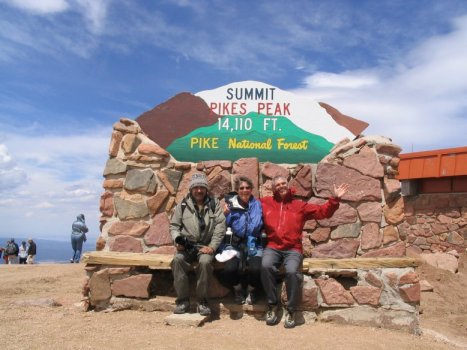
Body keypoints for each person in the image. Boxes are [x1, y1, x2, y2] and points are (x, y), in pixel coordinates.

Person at [260, 175, 349, 328]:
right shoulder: (265, 203)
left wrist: (334, 199)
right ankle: (273, 305)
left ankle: (291, 310)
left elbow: (323, 212)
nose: (281, 186)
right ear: (273, 188)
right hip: (273, 246)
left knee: (292, 271)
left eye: (284, 183)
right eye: (278, 185)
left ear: (288, 185)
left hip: (293, 248)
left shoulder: (299, 205)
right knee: (266, 266)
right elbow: (248, 205)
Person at [169, 172, 226, 316]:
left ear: (206, 189)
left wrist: (212, 247)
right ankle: (182, 301)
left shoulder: (214, 204)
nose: (199, 190)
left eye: (202, 187)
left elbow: (220, 226)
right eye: (196, 187)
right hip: (187, 246)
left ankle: (202, 301)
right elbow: (174, 226)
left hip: (205, 246)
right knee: (177, 261)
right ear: (191, 189)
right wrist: (177, 241)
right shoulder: (182, 205)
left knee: (205, 263)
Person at [216, 176, 264, 305]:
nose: (245, 190)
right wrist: (224, 214)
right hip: (234, 244)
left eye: (248, 188)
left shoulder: (257, 205)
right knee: (230, 269)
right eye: (241, 188)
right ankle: (237, 289)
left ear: (252, 189)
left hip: (253, 244)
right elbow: (220, 225)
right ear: (237, 190)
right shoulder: (230, 205)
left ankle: (251, 290)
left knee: (256, 269)